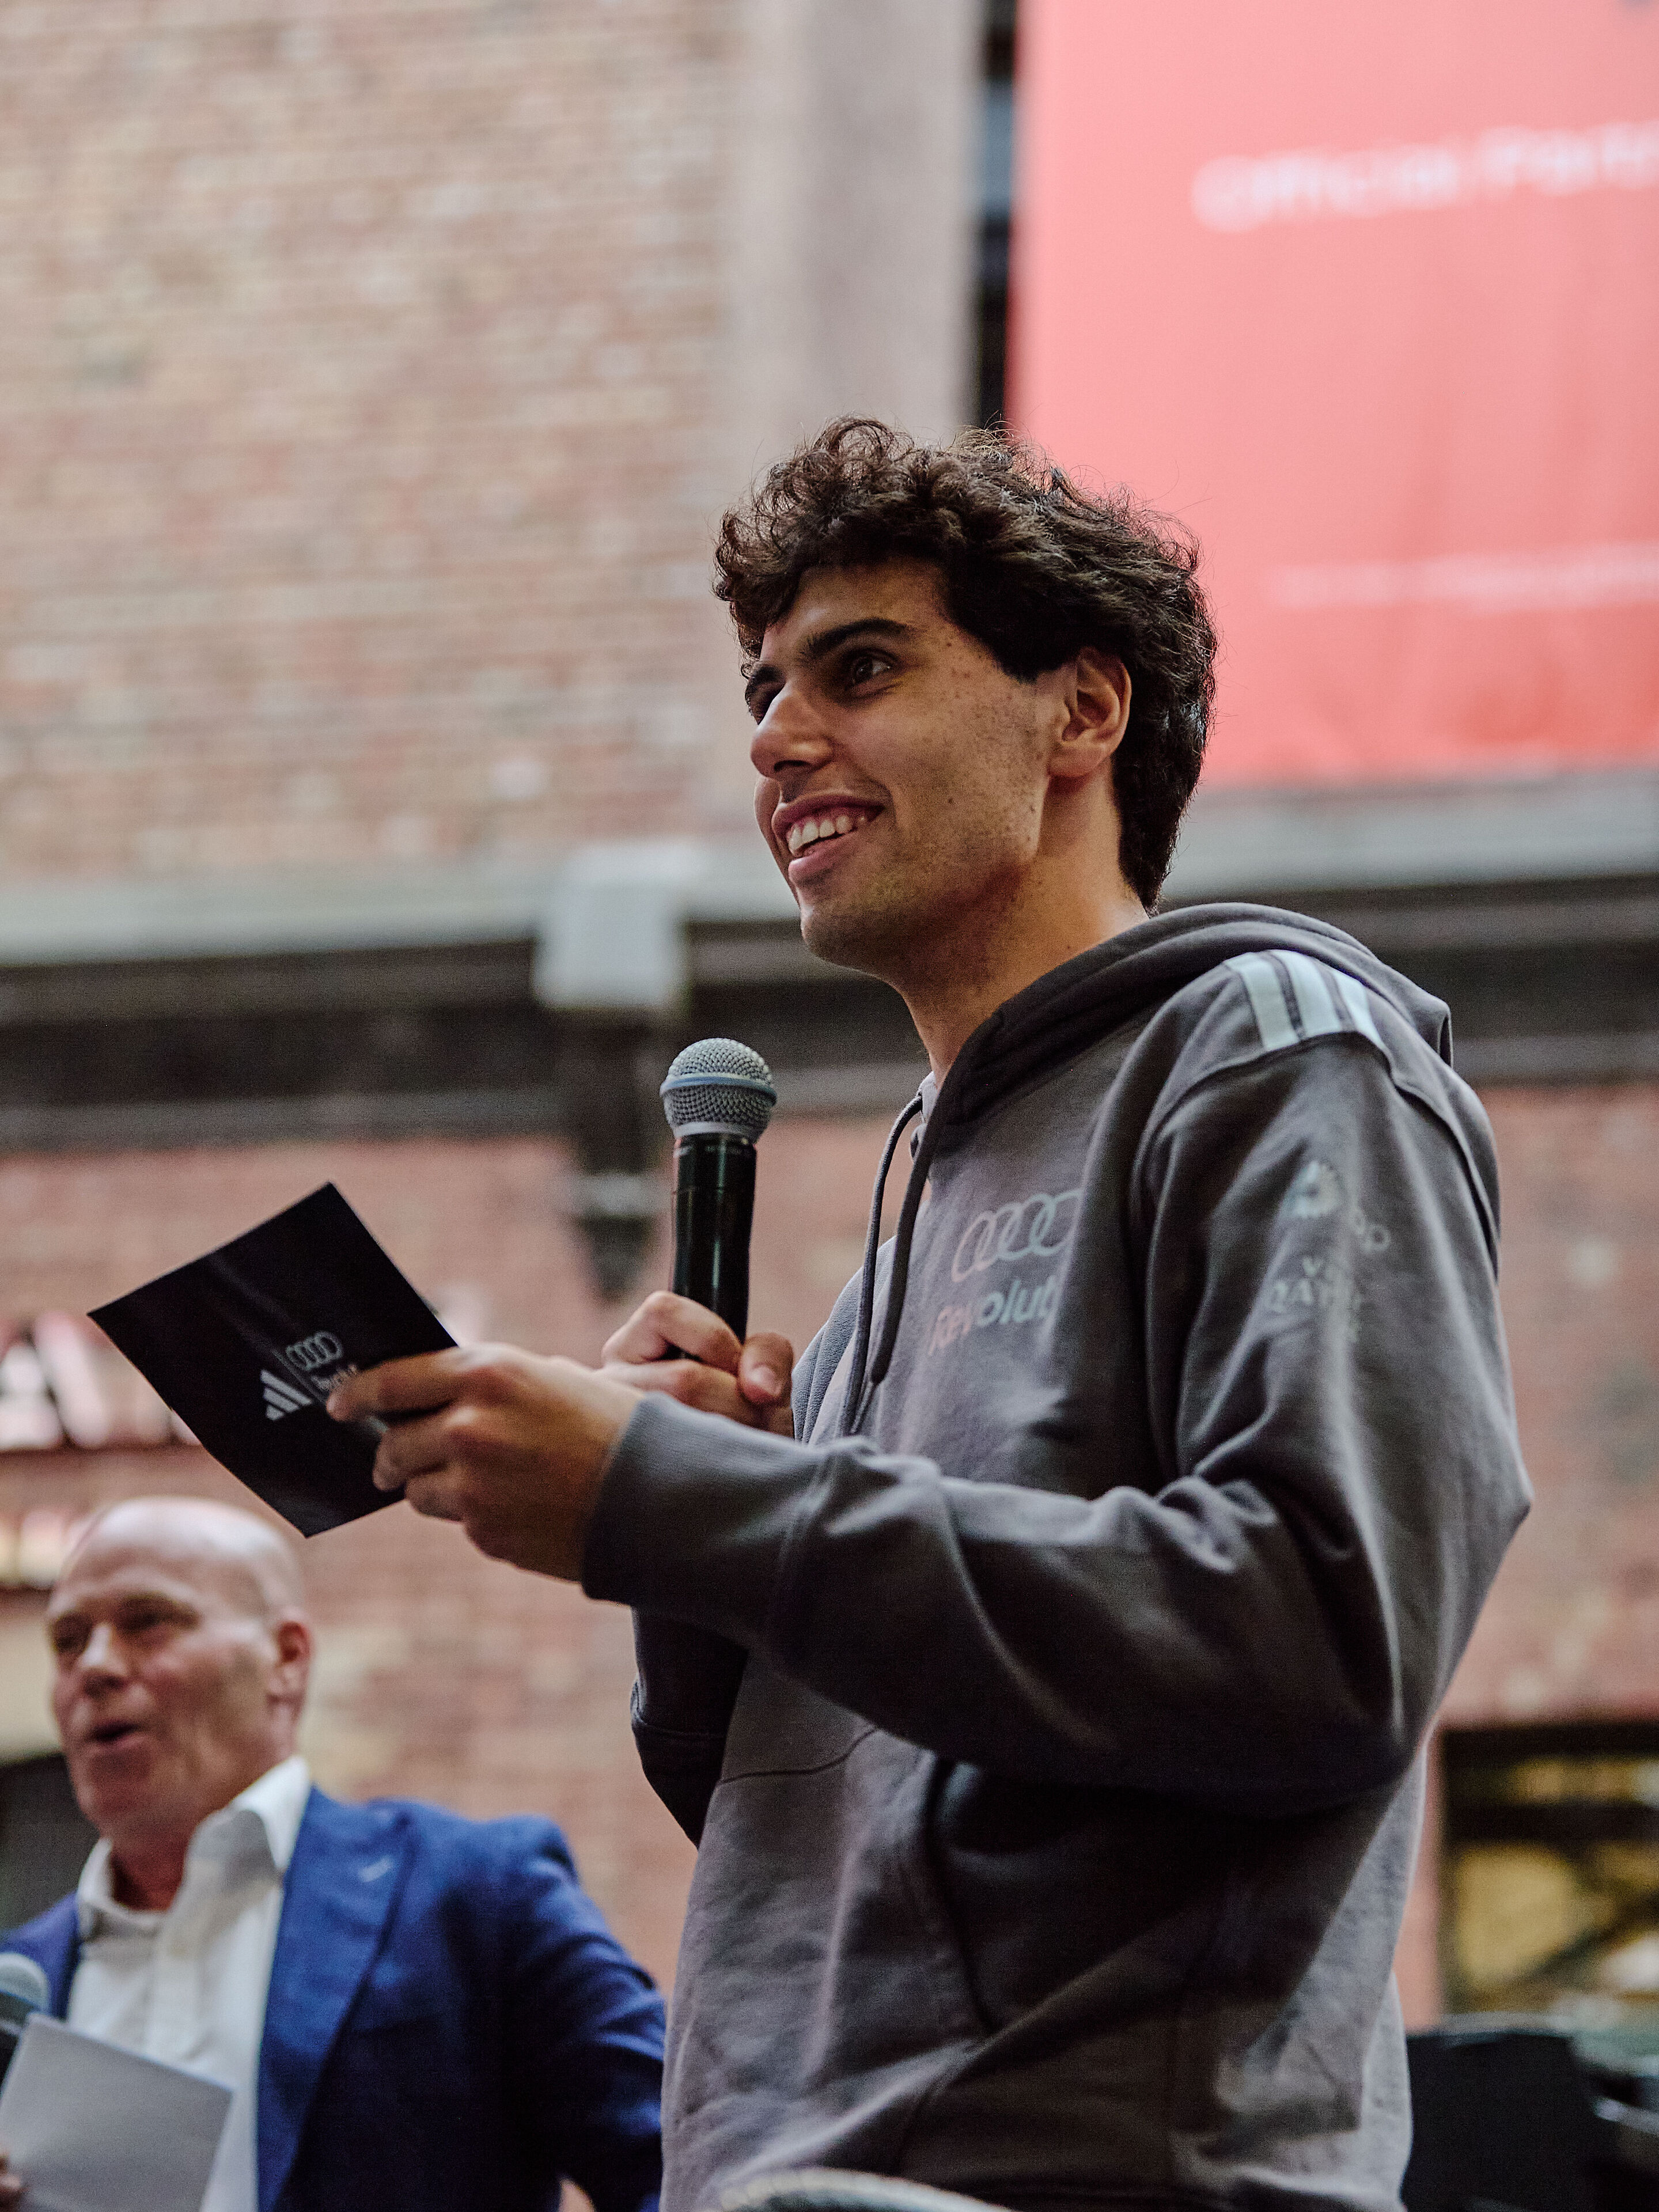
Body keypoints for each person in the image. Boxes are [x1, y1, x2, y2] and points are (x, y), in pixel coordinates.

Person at [327, 419, 1531, 2212]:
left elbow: (1321, 1636)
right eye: (765, 689)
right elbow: (820, 1820)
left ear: (1081, 711)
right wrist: (684, 1553)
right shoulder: (893, 1255)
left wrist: (679, 1498)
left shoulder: (1277, 1053)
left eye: (862, 668)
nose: (775, 736)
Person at [0, 1495, 665, 2212]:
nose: (95, 1666)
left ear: (286, 1659)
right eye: (68, 1640)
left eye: (148, 1622)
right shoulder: (19, 1978)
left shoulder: (477, 1895)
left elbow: (683, 2164)